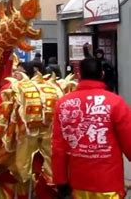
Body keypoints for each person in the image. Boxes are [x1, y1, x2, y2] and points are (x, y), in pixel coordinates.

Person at [52, 58, 131, 198]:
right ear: (102, 74)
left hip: (78, 183)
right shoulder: (115, 102)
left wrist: (60, 180)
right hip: (108, 182)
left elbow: (58, 147)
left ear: (78, 75)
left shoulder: (64, 104)